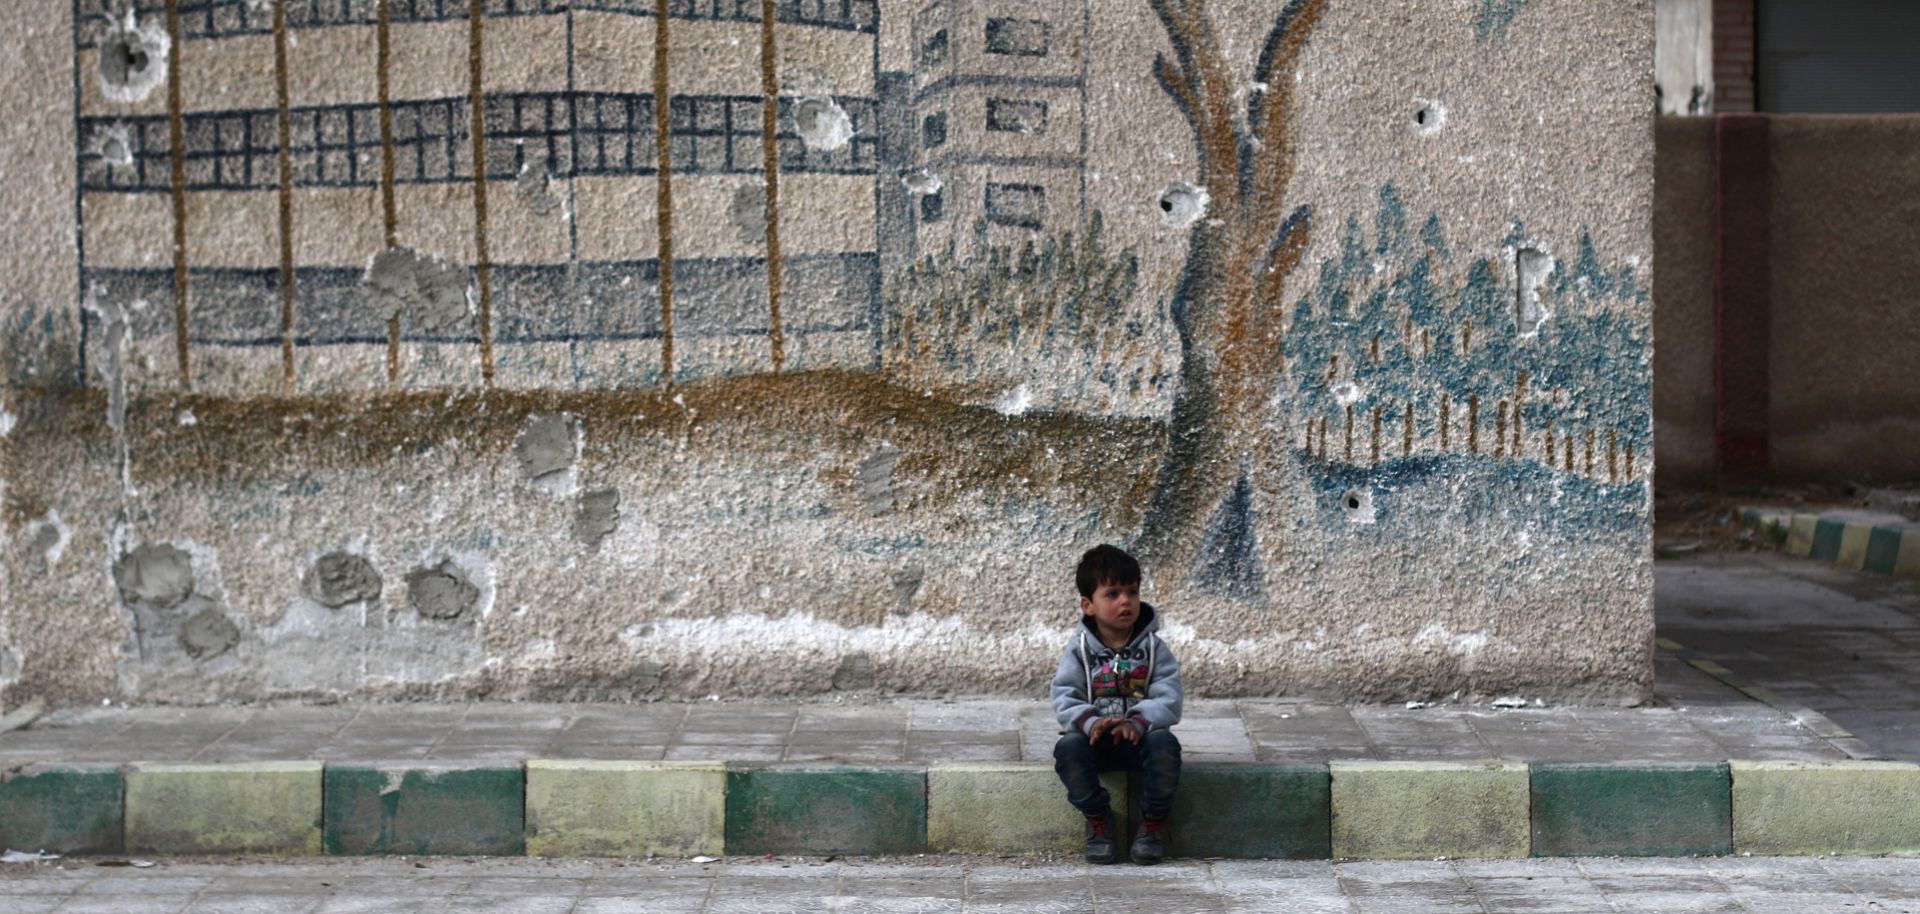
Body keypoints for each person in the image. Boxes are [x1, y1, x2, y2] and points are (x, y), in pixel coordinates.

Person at [1050, 544, 1183, 865]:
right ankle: (1098, 819)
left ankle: (1151, 824)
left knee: (1165, 744)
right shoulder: (1079, 650)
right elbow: (1064, 694)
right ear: (1088, 605)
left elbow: (1169, 696)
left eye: (1132, 591)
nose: (1126, 601)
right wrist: (1091, 723)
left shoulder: (1154, 648)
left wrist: (1137, 722)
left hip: (1140, 740)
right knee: (1068, 749)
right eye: (1112, 594)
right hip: (1096, 741)